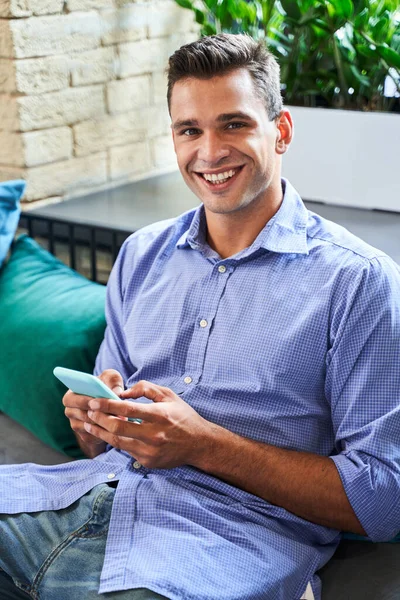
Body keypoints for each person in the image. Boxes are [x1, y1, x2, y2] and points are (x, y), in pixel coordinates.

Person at [1, 33, 400, 600]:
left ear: (280, 131)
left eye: (233, 124)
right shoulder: (141, 255)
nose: (209, 152)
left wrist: (202, 444)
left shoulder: (358, 281)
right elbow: (106, 446)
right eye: (190, 130)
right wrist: (96, 422)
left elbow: (383, 497)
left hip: (208, 550)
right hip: (61, 507)